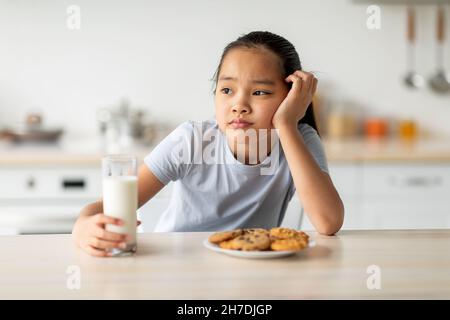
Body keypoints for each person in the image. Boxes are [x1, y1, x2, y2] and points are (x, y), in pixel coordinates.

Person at [72, 31, 344, 257]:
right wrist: (83, 227)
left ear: (290, 98)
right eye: (227, 90)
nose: (239, 105)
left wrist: (286, 124)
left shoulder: (299, 139)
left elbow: (328, 222)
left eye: (260, 92)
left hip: (249, 274)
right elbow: (99, 209)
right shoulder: (192, 140)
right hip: (177, 267)